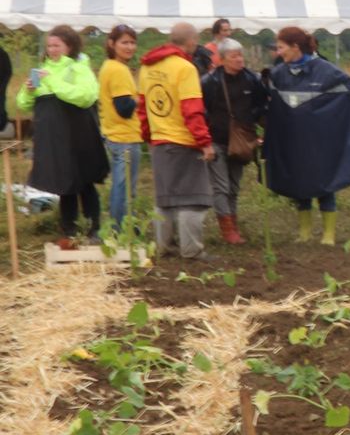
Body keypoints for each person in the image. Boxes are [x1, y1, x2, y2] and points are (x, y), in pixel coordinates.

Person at [265, 27, 350, 245]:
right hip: (293, 141)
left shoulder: (327, 72)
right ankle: (305, 232)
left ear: (295, 47)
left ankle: (328, 234)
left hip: (320, 141)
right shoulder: (278, 74)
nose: (278, 52)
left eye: (281, 47)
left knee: (324, 181)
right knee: (299, 183)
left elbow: (349, 93)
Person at [17, 25, 108, 247]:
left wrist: (54, 83)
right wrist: (28, 90)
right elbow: (23, 103)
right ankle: (69, 231)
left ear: (69, 46)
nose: (52, 49)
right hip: (53, 136)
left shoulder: (79, 68)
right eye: (49, 45)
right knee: (63, 182)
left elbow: (86, 97)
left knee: (84, 180)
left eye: (57, 45)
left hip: (78, 134)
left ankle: (93, 228)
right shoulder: (41, 69)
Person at [138, 23, 216, 260]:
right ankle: (191, 250)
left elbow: (142, 107)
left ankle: (164, 247)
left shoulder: (147, 67)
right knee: (193, 199)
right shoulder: (185, 68)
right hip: (184, 141)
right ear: (191, 42)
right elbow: (192, 109)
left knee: (166, 199)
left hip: (160, 141)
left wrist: (148, 137)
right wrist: (204, 142)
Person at [200, 38, 269, 246]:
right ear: (221, 60)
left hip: (242, 141)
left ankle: (233, 223)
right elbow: (202, 112)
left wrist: (259, 131)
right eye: (234, 56)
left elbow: (261, 106)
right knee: (221, 186)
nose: (239, 59)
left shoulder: (252, 80)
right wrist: (205, 142)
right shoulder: (209, 82)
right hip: (217, 140)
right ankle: (228, 230)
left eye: (240, 55)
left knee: (234, 186)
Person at [97, 25, 145, 237]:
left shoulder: (109, 66)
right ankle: (119, 232)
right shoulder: (118, 70)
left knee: (121, 186)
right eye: (124, 42)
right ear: (111, 44)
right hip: (124, 136)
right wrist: (139, 98)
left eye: (132, 42)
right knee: (124, 189)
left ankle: (123, 228)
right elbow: (124, 108)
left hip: (114, 134)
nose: (129, 47)